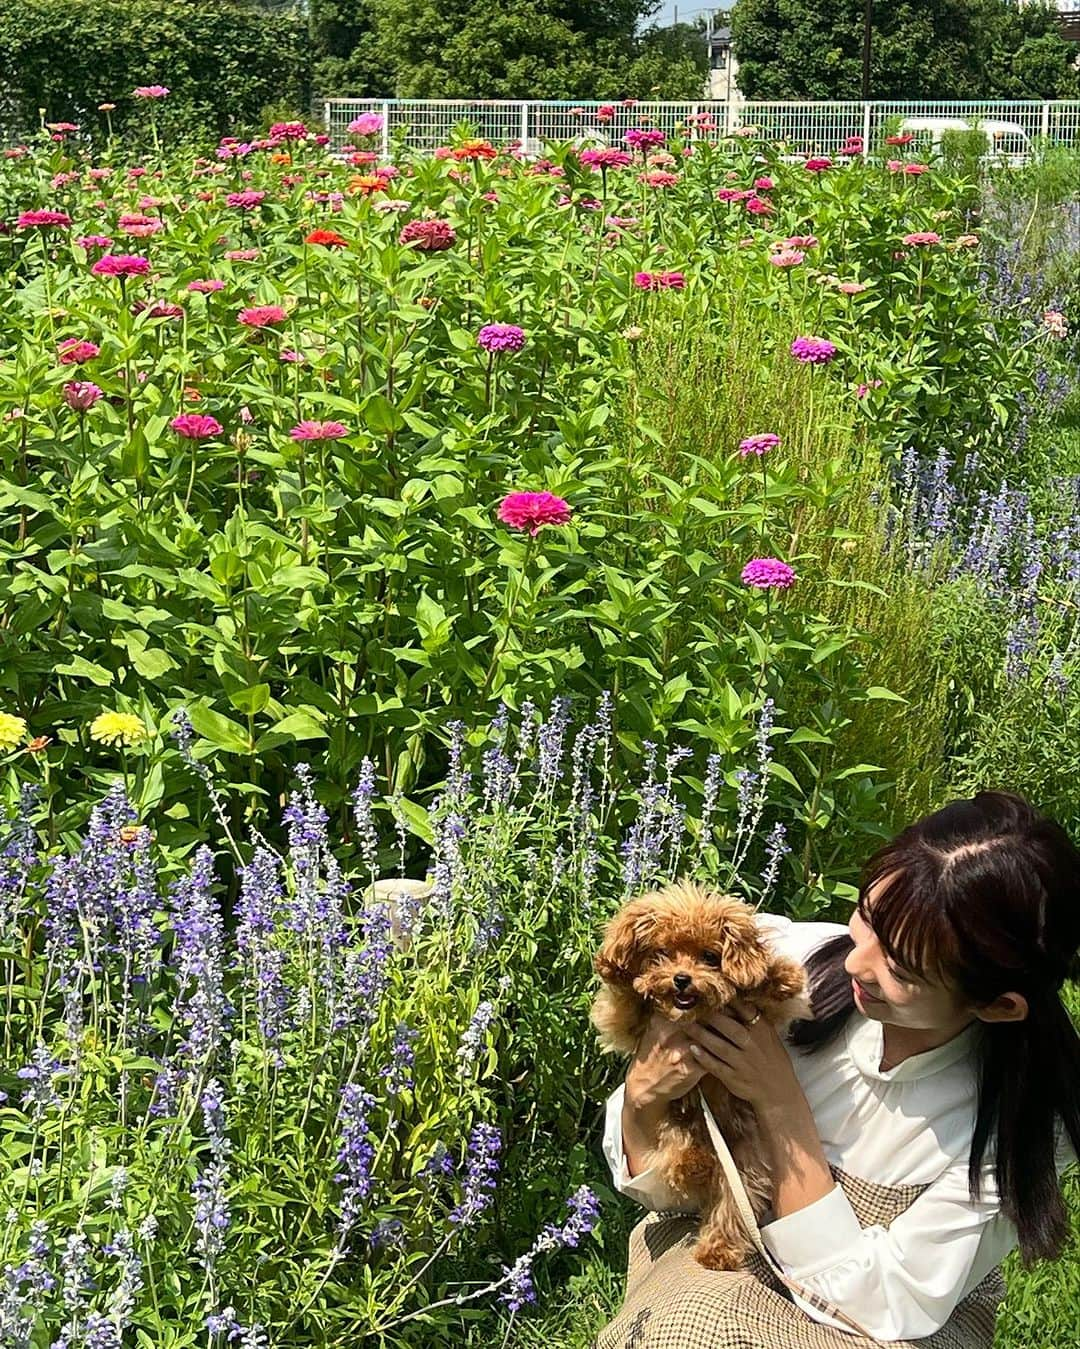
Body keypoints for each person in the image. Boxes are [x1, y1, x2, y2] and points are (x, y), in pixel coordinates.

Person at [594, 791, 1080, 1348]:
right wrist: (642, 1097)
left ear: (997, 1005)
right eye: (866, 918)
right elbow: (665, 1192)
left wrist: (780, 1106)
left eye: (899, 966)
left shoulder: (1015, 1128)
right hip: (725, 1255)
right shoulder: (785, 963)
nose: (855, 961)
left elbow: (891, 1304)